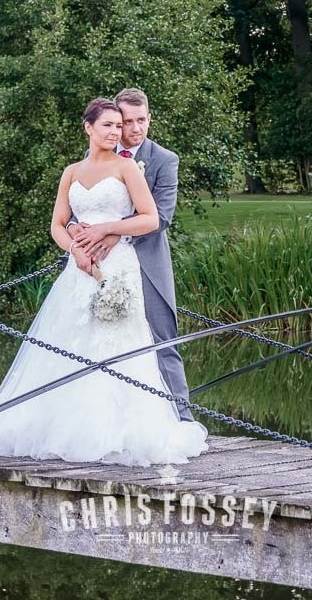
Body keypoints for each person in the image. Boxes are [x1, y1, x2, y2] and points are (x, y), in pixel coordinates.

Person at [0, 98, 207, 466]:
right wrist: (75, 248)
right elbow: (59, 223)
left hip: (127, 264)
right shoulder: (72, 171)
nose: (121, 129)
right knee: (70, 342)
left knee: (143, 343)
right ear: (89, 127)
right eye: (112, 124)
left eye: (124, 123)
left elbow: (155, 218)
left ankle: (165, 422)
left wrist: (110, 231)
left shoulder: (137, 165)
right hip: (81, 268)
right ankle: (63, 427)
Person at [69, 88, 194, 422]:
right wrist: (76, 238)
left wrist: (111, 229)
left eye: (142, 120)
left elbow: (162, 217)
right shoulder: (94, 155)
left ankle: (182, 417)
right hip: (99, 266)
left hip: (146, 264)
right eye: (127, 121)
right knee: (100, 339)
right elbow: (76, 211)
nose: (135, 128)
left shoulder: (164, 160)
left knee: (161, 340)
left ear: (150, 118)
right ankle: (106, 420)